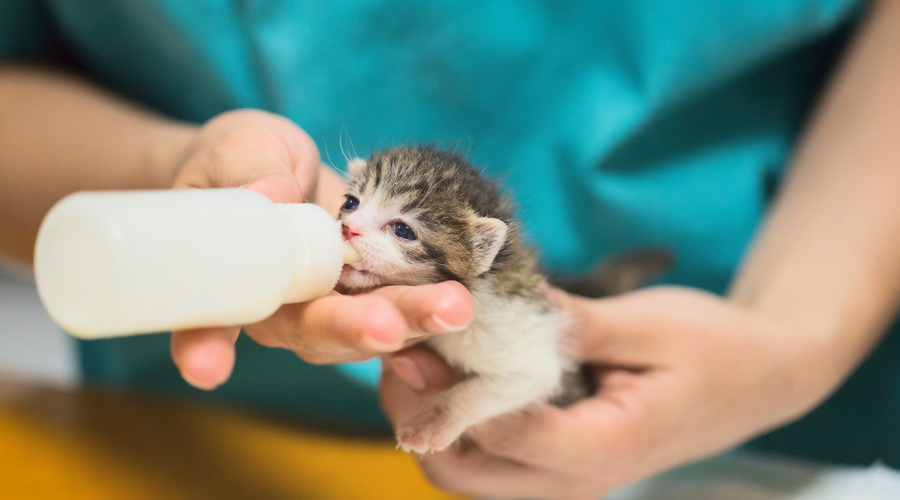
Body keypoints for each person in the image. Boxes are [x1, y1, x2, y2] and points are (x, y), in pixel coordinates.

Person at [2, 1, 900, 498]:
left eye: (395, 232)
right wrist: (169, 167)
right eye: (353, 201)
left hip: (732, 436)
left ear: (474, 258)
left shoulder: (494, 297)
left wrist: (795, 338)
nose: (349, 227)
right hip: (197, 438)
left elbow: (521, 366)